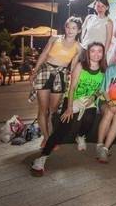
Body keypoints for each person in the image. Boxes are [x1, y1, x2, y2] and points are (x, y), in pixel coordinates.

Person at [31, 42, 106, 176]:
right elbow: (72, 88)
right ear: (88, 53)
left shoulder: (104, 69)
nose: (96, 54)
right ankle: (41, 158)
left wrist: (93, 97)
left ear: (103, 53)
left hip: (89, 100)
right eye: (93, 51)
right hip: (73, 98)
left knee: (89, 119)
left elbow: (101, 89)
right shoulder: (81, 66)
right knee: (64, 127)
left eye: (99, 51)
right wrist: (70, 107)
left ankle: (80, 136)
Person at [29, 17, 83, 146]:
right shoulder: (54, 39)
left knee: (52, 111)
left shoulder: (78, 47)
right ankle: (46, 137)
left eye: (74, 28)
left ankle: (51, 136)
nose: (70, 30)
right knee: (43, 109)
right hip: (45, 72)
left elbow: (73, 66)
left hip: (61, 76)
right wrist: (35, 71)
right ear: (65, 27)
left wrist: (72, 81)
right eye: (68, 27)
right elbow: (44, 54)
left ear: (79, 30)